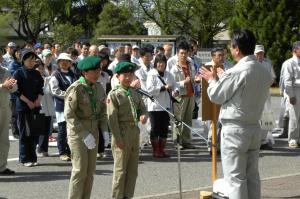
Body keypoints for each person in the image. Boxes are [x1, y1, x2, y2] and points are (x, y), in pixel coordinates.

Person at [200, 29, 272, 199]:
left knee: (235, 179)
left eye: (231, 47)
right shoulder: (263, 70)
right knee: (252, 176)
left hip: (235, 130)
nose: (229, 51)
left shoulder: (237, 71)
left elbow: (217, 95)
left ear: (236, 48)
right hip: (254, 127)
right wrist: (225, 78)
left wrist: (212, 80)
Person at [64, 56, 108, 199]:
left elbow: (102, 111)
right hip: (78, 133)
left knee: (90, 171)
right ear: (84, 72)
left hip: (93, 131)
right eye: (93, 71)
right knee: (79, 170)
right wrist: (83, 133)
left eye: (98, 70)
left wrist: (105, 131)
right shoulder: (76, 89)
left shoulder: (99, 87)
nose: (97, 74)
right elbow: (69, 115)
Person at [107, 61, 147, 199]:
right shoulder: (114, 95)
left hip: (134, 132)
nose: (129, 78)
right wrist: (118, 138)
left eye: (131, 74)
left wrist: (144, 115)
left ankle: (128, 196)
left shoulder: (134, 93)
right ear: (118, 76)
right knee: (120, 171)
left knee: (132, 170)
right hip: (122, 132)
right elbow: (112, 120)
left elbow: (143, 108)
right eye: (125, 75)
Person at [13, 49, 44, 167]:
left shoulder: (36, 73)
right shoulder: (18, 73)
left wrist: (38, 100)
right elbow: (16, 91)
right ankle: (24, 158)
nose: (31, 62)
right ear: (23, 60)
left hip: (35, 106)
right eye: (29, 60)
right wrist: (28, 101)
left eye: (33, 60)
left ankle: (32, 157)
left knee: (34, 132)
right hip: (23, 107)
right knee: (24, 133)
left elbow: (41, 89)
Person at [146, 54, 177, 157]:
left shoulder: (169, 74)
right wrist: (164, 88)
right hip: (154, 106)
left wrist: (175, 91)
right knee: (155, 128)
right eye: (159, 62)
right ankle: (155, 150)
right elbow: (149, 90)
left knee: (164, 128)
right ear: (155, 63)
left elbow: (174, 85)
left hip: (166, 106)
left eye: (163, 62)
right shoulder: (151, 74)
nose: (161, 64)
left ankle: (162, 150)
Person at [169, 40, 196, 149]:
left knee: (188, 119)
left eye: (185, 53)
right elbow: (171, 84)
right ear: (177, 54)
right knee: (178, 120)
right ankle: (177, 142)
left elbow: (192, 78)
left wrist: (195, 79)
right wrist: (183, 82)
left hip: (190, 94)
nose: (184, 55)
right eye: (181, 53)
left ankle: (186, 141)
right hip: (180, 96)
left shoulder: (190, 64)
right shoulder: (174, 68)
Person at [49, 53, 76, 161]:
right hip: (61, 106)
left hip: (73, 106)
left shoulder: (73, 74)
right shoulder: (56, 75)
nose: (64, 63)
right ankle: (62, 152)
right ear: (59, 62)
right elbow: (54, 90)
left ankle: (71, 150)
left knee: (72, 129)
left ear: (70, 63)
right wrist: (68, 95)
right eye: (62, 61)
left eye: (67, 61)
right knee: (62, 129)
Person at [254, 44, 276, 150]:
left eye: (261, 53)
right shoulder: (251, 64)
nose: (260, 55)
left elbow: (272, 77)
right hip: (253, 93)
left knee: (266, 115)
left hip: (265, 92)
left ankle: (263, 140)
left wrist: (266, 83)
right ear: (254, 54)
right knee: (254, 116)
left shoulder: (267, 64)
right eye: (258, 53)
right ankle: (254, 140)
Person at [0, 59, 17, 174]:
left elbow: (14, 89)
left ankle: (2, 166)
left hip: (5, 108)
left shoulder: (6, 71)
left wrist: (12, 86)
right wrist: (2, 85)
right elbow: (4, 86)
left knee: (4, 139)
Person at [283, 41, 300, 148]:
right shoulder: (289, 63)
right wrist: (291, 95)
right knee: (294, 116)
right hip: (295, 90)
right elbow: (287, 81)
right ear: (295, 50)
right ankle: (293, 139)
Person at [7, 48, 22, 139]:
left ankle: (19, 130)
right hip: (13, 94)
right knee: (14, 114)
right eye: (17, 53)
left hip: (21, 92)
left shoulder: (21, 63)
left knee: (19, 113)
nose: (19, 54)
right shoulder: (12, 65)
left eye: (20, 52)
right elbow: (12, 79)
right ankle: (15, 131)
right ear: (14, 54)